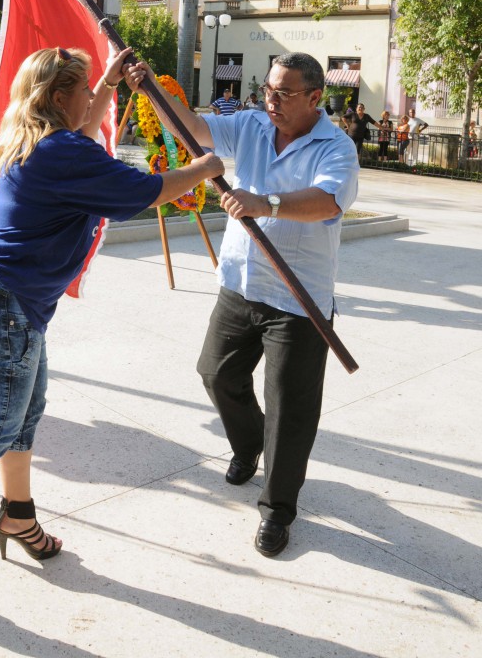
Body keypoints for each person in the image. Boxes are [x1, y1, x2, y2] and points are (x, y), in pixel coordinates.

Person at [0, 45, 223, 618]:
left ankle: (18, 515)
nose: (91, 100)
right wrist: (205, 167)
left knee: (25, 415)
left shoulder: (35, 139)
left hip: (4, 296)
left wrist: (106, 82)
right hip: (4, 301)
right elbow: (143, 192)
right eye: (83, 90)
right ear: (60, 97)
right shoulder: (62, 152)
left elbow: (86, 126)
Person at [127, 52, 359, 558]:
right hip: (240, 281)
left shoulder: (336, 147)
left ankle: (277, 509)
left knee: (289, 410)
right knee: (216, 374)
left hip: (298, 299)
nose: (271, 101)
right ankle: (249, 443)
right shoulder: (253, 125)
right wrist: (151, 91)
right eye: (268, 89)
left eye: (284, 93)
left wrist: (266, 203)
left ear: (315, 97)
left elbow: (328, 201)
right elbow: (194, 128)